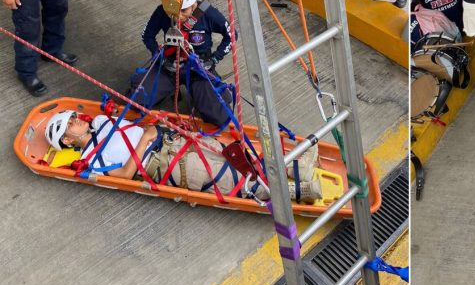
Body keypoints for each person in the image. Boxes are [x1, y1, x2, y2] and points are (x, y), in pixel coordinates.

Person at [43, 109, 320, 200]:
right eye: (69, 126)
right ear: (68, 141)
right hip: (163, 163)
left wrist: (154, 127)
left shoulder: (102, 121)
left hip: (173, 141)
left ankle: (295, 167)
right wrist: (146, 140)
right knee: (230, 180)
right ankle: (300, 190)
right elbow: (126, 175)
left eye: (72, 119)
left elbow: (133, 126)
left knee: (236, 157)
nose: (75, 122)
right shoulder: (92, 159)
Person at [131, 0, 236, 128]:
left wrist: (214, 58)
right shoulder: (161, 11)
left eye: (184, 10)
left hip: (198, 70)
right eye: (173, 11)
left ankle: (200, 95)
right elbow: (147, 35)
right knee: (136, 100)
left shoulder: (208, 14)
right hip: (169, 66)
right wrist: (156, 52)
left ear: (193, 4)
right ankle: (166, 90)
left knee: (220, 116)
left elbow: (231, 35)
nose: (178, 16)